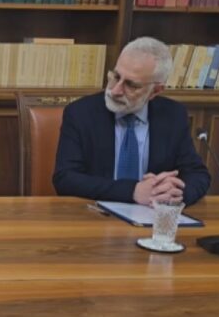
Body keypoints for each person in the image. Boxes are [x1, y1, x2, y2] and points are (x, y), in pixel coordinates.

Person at [53, 37, 210, 206]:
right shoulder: (80, 113)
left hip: (152, 214)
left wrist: (174, 193)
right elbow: (65, 179)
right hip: (97, 213)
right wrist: (132, 191)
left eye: (131, 85)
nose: (115, 90)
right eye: (116, 76)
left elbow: (198, 175)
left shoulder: (173, 115)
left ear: (155, 91)